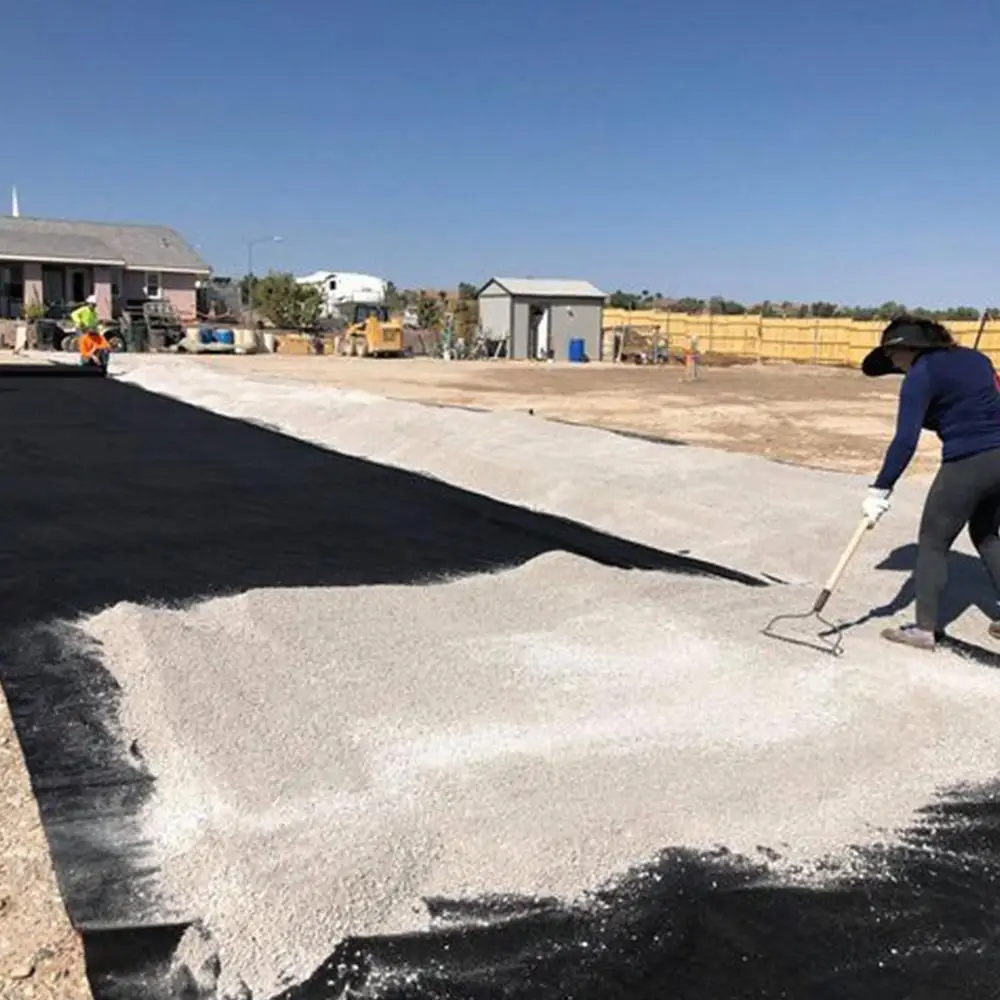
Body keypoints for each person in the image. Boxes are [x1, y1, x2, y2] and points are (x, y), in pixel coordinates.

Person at [861, 314, 1000, 650]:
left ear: (908, 348)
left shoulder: (920, 375)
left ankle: (924, 629)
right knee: (985, 533)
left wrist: (880, 488)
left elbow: (904, 442)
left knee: (933, 542)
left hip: (968, 461)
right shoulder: (977, 360)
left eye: (893, 357)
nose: (894, 365)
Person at [71, 295, 110, 372]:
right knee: (84, 346)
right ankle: (84, 363)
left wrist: (99, 326)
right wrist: (79, 322)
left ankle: (92, 363)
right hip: (82, 329)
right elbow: (73, 314)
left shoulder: (94, 313)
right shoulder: (84, 309)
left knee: (94, 346)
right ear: (88, 303)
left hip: (90, 330)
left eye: (94, 305)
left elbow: (94, 323)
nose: (93, 306)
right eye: (92, 304)